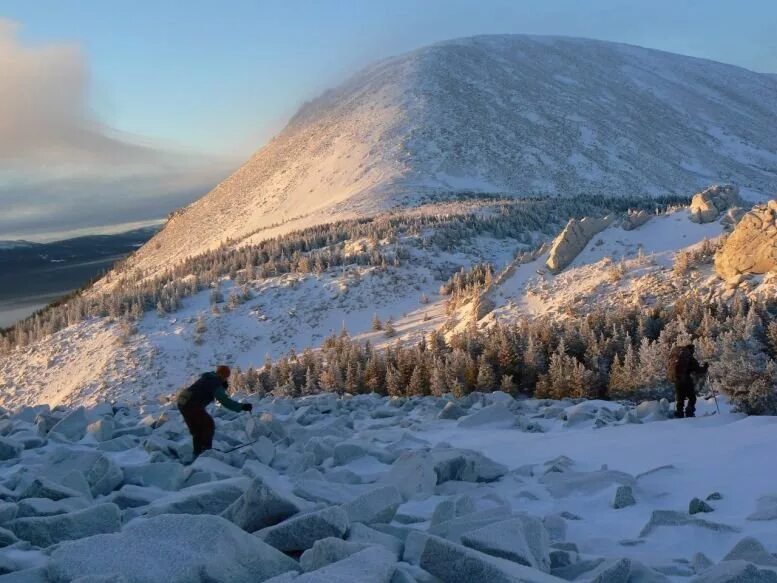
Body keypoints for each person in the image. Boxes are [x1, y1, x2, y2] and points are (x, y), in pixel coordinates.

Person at [177, 365, 253, 458]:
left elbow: (206, 389)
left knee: (197, 430)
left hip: (182, 402)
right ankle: (206, 452)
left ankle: (197, 453)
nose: (226, 379)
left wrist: (221, 387)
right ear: (222, 375)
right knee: (208, 424)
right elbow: (225, 401)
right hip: (191, 404)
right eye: (225, 377)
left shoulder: (209, 377)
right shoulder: (215, 382)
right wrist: (242, 407)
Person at [668, 344, 708, 418]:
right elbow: (698, 370)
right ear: (691, 350)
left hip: (677, 380)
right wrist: (705, 367)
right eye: (693, 350)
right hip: (686, 379)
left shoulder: (678, 357)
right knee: (692, 398)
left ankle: (679, 414)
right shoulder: (690, 358)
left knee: (680, 399)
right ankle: (689, 413)